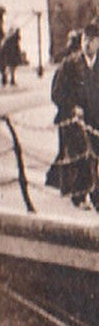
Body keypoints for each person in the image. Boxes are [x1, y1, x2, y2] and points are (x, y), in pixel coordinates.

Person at [48, 27, 98, 208]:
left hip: (96, 121)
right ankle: (79, 198)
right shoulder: (69, 65)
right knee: (81, 158)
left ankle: (95, 198)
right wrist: (72, 107)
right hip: (75, 122)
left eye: (92, 40)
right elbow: (56, 93)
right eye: (85, 39)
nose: (87, 44)